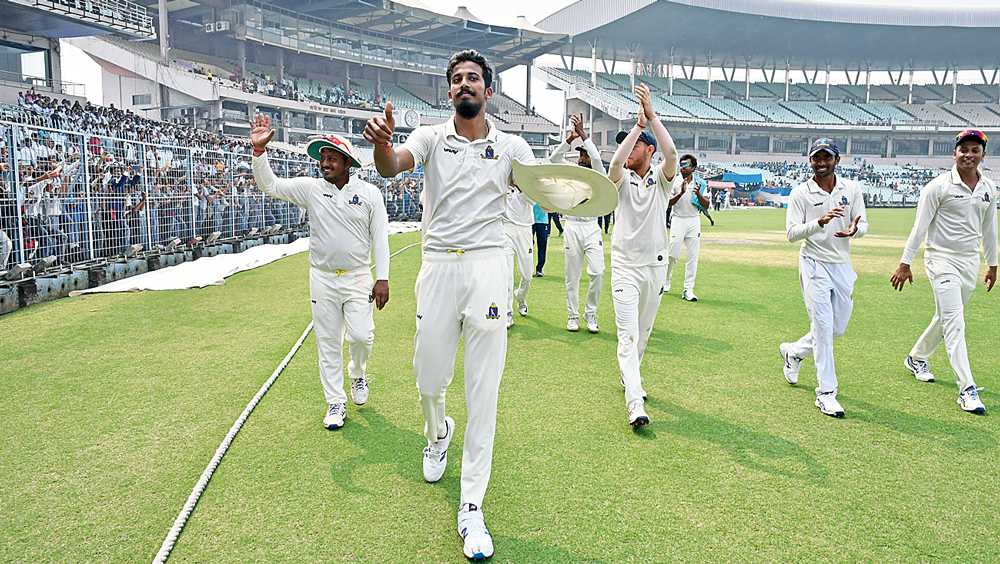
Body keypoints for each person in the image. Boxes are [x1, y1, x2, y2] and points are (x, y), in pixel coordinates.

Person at [364, 49, 535, 561]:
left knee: (483, 393)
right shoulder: (430, 137)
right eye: (457, 79)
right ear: (449, 91)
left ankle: (472, 508)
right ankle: (438, 434)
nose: (465, 84)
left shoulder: (512, 146)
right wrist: (382, 145)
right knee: (428, 379)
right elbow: (392, 166)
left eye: (473, 78)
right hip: (438, 265)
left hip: (488, 266)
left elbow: (547, 190)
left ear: (488, 91)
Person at [250, 119, 390, 430]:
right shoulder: (311, 189)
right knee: (328, 341)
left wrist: (382, 278)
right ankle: (335, 402)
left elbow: (380, 238)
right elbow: (270, 185)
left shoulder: (369, 194)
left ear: (348, 162)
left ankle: (358, 372)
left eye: (331, 158)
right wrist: (259, 151)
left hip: (357, 276)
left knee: (361, 336)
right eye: (322, 158)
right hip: (323, 278)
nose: (325, 164)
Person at [891, 129, 997, 414]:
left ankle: (916, 358)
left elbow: (990, 229)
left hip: (970, 262)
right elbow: (919, 228)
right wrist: (905, 263)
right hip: (940, 259)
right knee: (955, 322)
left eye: (975, 150)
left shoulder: (989, 187)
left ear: (982, 155)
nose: (969, 155)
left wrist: (992, 264)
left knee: (946, 317)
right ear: (954, 154)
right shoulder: (937, 187)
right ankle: (967, 389)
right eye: (964, 150)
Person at [779, 139, 867, 418]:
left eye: (827, 157)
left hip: (842, 265)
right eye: (816, 158)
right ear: (810, 161)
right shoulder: (800, 193)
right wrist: (819, 222)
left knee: (836, 329)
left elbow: (863, 223)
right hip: (813, 264)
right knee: (823, 328)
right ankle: (826, 393)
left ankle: (794, 352)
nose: (821, 162)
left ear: (837, 160)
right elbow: (791, 233)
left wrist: (855, 230)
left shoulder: (851, 188)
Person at [608, 84, 678, 426]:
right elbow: (615, 163)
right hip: (624, 266)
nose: (628, 147)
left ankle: (629, 374)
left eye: (636, 143)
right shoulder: (620, 179)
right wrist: (637, 126)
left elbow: (672, 155)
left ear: (649, 150)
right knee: (628, 335)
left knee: (643, 333)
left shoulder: (662, 179)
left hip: (655, 267)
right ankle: (635, 402)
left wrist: (652, 118)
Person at [550, 112, 606, 333]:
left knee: (598, 272)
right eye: (580, 154)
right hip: (572, 226)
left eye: (585, 155)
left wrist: (583, 134)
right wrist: (569, 139)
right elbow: (554, 160)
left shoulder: (598, 174)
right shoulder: (571, 172)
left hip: (592, 227)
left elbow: (598, 159)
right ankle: (572, 316)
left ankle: (590, 313)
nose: (582, 158)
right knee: (572, 275)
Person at [663, 155, 710, 301]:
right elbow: (667, 203)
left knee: (692, 256)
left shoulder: (700, 183)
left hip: (694, 220)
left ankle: (688, 289)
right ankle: (666, 279)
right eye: (681, 164)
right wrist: (681, 193)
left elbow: (706, 204)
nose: (683, 167)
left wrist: (698, 194)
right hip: (678, 219)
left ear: (693, 168)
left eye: (687, 165)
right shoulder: (674, 181)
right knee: (673, 254)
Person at [502, 163, 535, 328]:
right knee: (506, 274)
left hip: (524, 229)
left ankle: (520, 297)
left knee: (527, 275)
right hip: (505, 229)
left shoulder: (527, 183)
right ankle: (508, 312)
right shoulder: (501, 180)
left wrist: (520, 186)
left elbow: (533, 201)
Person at [532, 202, 548, 277]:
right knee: (527, 246)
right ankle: (528, 268)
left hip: (543, 221)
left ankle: (539, 269)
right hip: (529, 221)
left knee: (542, 246)